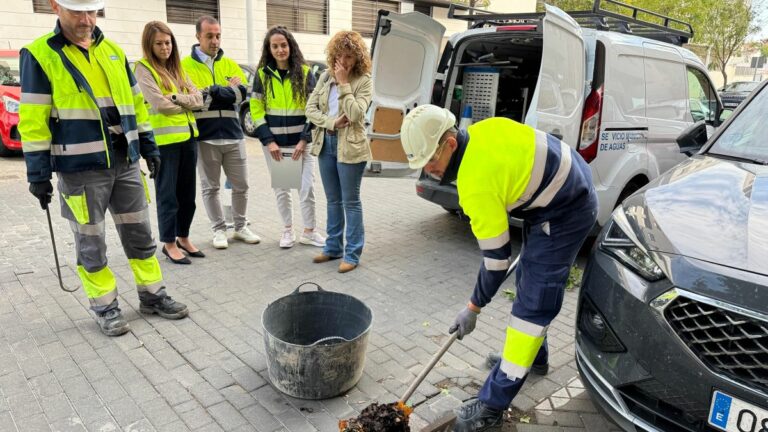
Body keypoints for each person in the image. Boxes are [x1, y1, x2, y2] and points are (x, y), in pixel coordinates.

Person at [400, 105, 598, 432]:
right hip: (558, 191)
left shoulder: (475, 181)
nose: (429, 171)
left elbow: (496, 261)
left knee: (531, 310)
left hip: (567, 209)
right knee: (527, 277)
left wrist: (473, 307)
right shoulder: (479, 133)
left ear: (450, 143)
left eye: (431, 162)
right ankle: (535, 359)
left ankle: (491, 407)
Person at [19, 0, 188, 337]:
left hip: (125, 163)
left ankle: (153, 296)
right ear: (56, 7)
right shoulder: (39, 54)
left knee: (140, 234)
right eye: (77, 12)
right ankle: (105, 306)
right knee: (91, 243)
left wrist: (149, 145)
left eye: (92, 12)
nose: (86, 20)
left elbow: (136, 104)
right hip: (79, 170)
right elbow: (33, 121)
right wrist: (37, 174)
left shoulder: (112, 50)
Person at [181, 15, 260, 249]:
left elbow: (241, 95)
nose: (215, 41)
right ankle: (218, 230)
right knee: (210, 187)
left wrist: (213, 92)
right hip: (206, 137)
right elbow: (196, 102)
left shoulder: (229, 63)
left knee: (241, 185)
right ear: (198, 36)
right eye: (209, 36)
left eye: (218, 35)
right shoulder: (185, 66)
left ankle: (240, 227)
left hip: (234, 135)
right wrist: (223, 91)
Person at [134, 21, 204, 265]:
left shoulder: (178, 69)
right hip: (164, 144)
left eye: (168, 42)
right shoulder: (143, 69)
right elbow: (158, 105)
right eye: (159, 43)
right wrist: (185, 101)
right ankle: (169, 243)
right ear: (149, 45)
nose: (165, 48)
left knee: (188, 194)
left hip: (187, 139)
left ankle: (183, 237)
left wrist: (175, 96)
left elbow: (199, 99)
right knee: (168, 195)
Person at [250, 26, 325, 249]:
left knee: (306, 188)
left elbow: (313, 109)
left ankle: (309, 232)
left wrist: (304, 140)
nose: (280, 49)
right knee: (283, 189)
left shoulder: (304, 72)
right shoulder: (262, 74)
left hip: (301, 143)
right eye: (275, 46)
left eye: (284, 45)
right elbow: (255, 109)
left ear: (290, 46)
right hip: (276, 145)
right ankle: (287, 231)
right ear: (269, 49)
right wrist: (268, 141)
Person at [305, 31, 372, 273]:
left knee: (350, 202)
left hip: (351, 147)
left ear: (358, 58)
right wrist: (331, 123)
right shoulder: (324, 77)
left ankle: (352, 254)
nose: (344, 61)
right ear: (333, 55)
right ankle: (333, 247)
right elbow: (309, 109)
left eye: (350, 57)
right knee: (333, 200)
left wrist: (344, 84)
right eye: (340, 55)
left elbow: (355, 114)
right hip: (326, 143)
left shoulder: (364, 80)